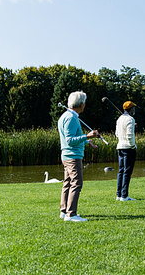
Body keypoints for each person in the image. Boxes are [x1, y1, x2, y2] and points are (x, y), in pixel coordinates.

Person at [58, 91, 100, 222]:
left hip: (67, 155)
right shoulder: (71, 118)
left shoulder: (66, 116)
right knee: (76, 183)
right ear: (82, 104)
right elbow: (70, 140)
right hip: (72, 157)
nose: (85, 105)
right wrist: (87, 136)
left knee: (68, 183)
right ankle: (71, 214)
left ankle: (64, 211)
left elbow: (71, 137)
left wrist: (87, 141)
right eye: (85, 102)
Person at [115, 101, 137, 201]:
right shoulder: (130, 119)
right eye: (133, 108)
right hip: (128, 148)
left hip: (120, 147)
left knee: (121, 171)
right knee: (127, 172)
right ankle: (124, 196)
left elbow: (117, 134)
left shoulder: (119, 119)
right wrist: (133, 146)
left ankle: (119, 194)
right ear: (130, 109)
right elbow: (129, 136)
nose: (134, 110)